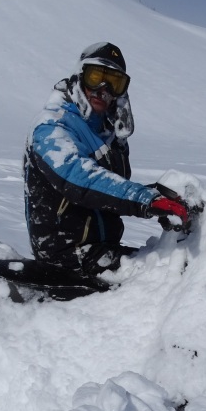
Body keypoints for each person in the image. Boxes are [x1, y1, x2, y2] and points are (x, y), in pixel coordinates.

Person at [23, 42, 189, 275]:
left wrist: (165, 199)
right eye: (96, 77)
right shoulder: (51, 126)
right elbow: (79, 177)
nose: (104, 89)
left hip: (102, 250)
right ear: (79, 77)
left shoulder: (107, 135)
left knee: (178, 266)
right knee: (164, 275)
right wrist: (146, 200)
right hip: (65, 256)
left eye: (115, 83)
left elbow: (108, 188)